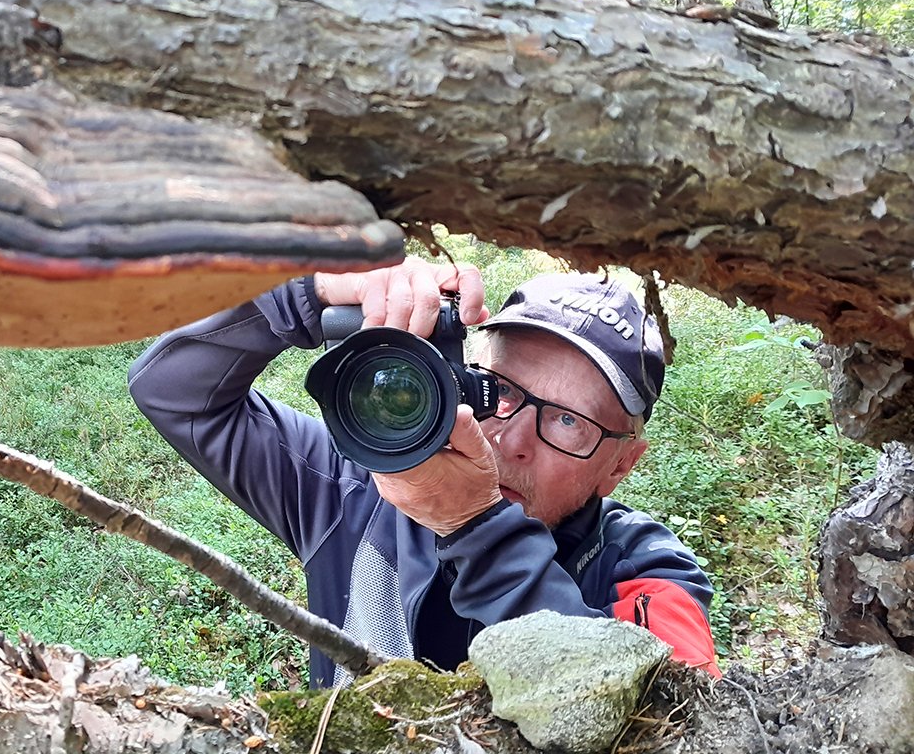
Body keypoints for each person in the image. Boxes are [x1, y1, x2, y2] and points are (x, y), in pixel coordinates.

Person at [127, 257, 720, 686]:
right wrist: (307, 291)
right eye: (502, 390)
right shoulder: (361, 491)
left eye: (568, 422)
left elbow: (673, 717)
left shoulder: (643, 568)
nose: (510, 442)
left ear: (619, 466)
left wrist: (475, 527)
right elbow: (173, 391)